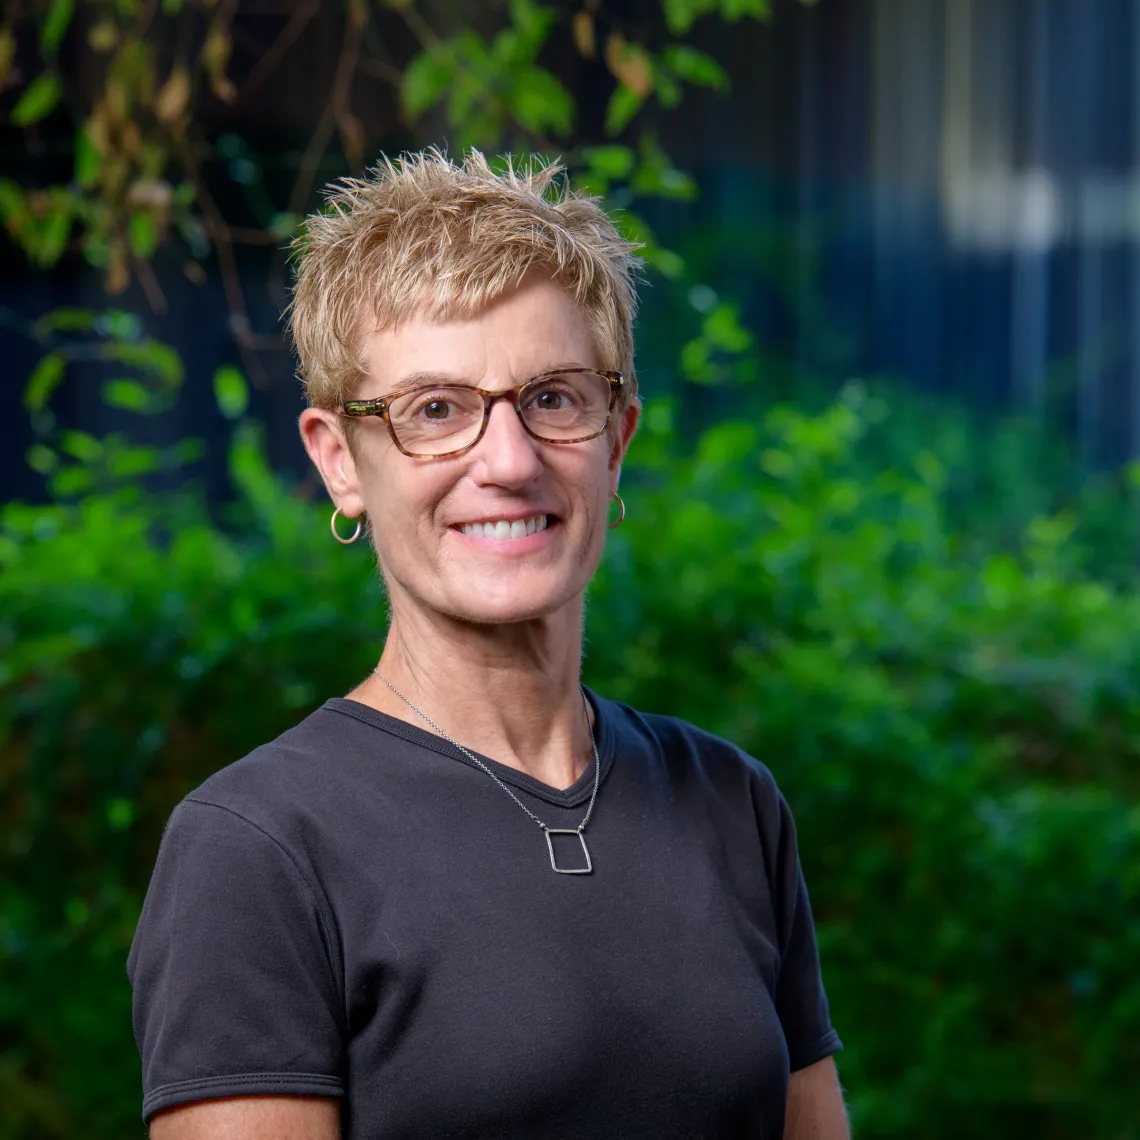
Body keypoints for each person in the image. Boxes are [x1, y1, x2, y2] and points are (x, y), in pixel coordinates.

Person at [127, 149, 848, 1140]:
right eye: (436, 411)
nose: (506, 462)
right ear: (339, 461)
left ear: (617, 439)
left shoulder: (732, 804)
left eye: (553, 399)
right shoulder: (259, 847)